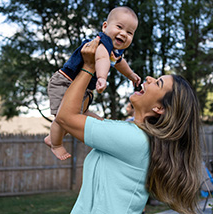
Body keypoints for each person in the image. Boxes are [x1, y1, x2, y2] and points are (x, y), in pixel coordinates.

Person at [55, 37, 203, 213]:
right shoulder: (134, 135)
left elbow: (65, 117)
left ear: (159, 108)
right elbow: (77, 112)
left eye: (158, 83)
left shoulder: (135, 139)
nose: (148, 78)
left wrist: (88, 67)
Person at [44, 6, 141, 160]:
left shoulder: (115, 51)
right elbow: (101, 59)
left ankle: (100, 126)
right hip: (65, 82)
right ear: (105, 26)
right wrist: (102, 77)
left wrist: (131, 75)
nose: (123, 33)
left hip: (81, 89)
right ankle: (54, 142)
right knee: (62, 117)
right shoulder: (103, 43)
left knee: (79, 116)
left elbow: (119, 63)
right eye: (119, 27)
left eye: (129, 33)